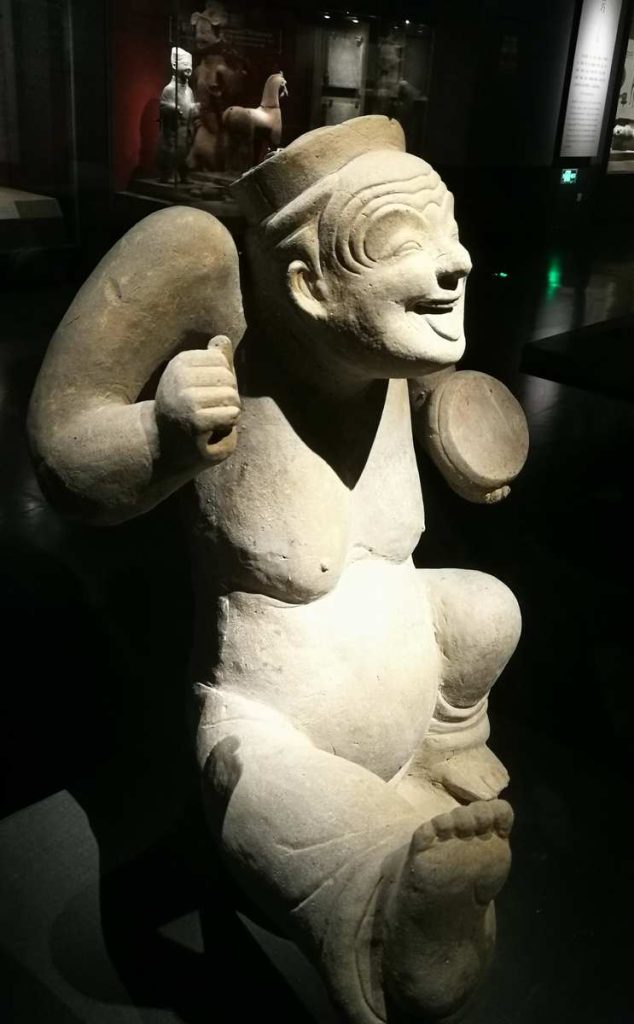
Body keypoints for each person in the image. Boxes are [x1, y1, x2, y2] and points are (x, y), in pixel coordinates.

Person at [28, 117, 526, 1022]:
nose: (456, 263)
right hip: (273, 718)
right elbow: (64, 444)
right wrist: (159, 434)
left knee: (486, 608)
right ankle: (381, 907)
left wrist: (460, 427)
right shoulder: (210, 286)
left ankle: (448, 740)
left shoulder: (386, 362)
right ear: (307, 284)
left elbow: (453, 403)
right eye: (400, 242)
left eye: (448, 232)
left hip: (416, 686)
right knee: (254, 781)